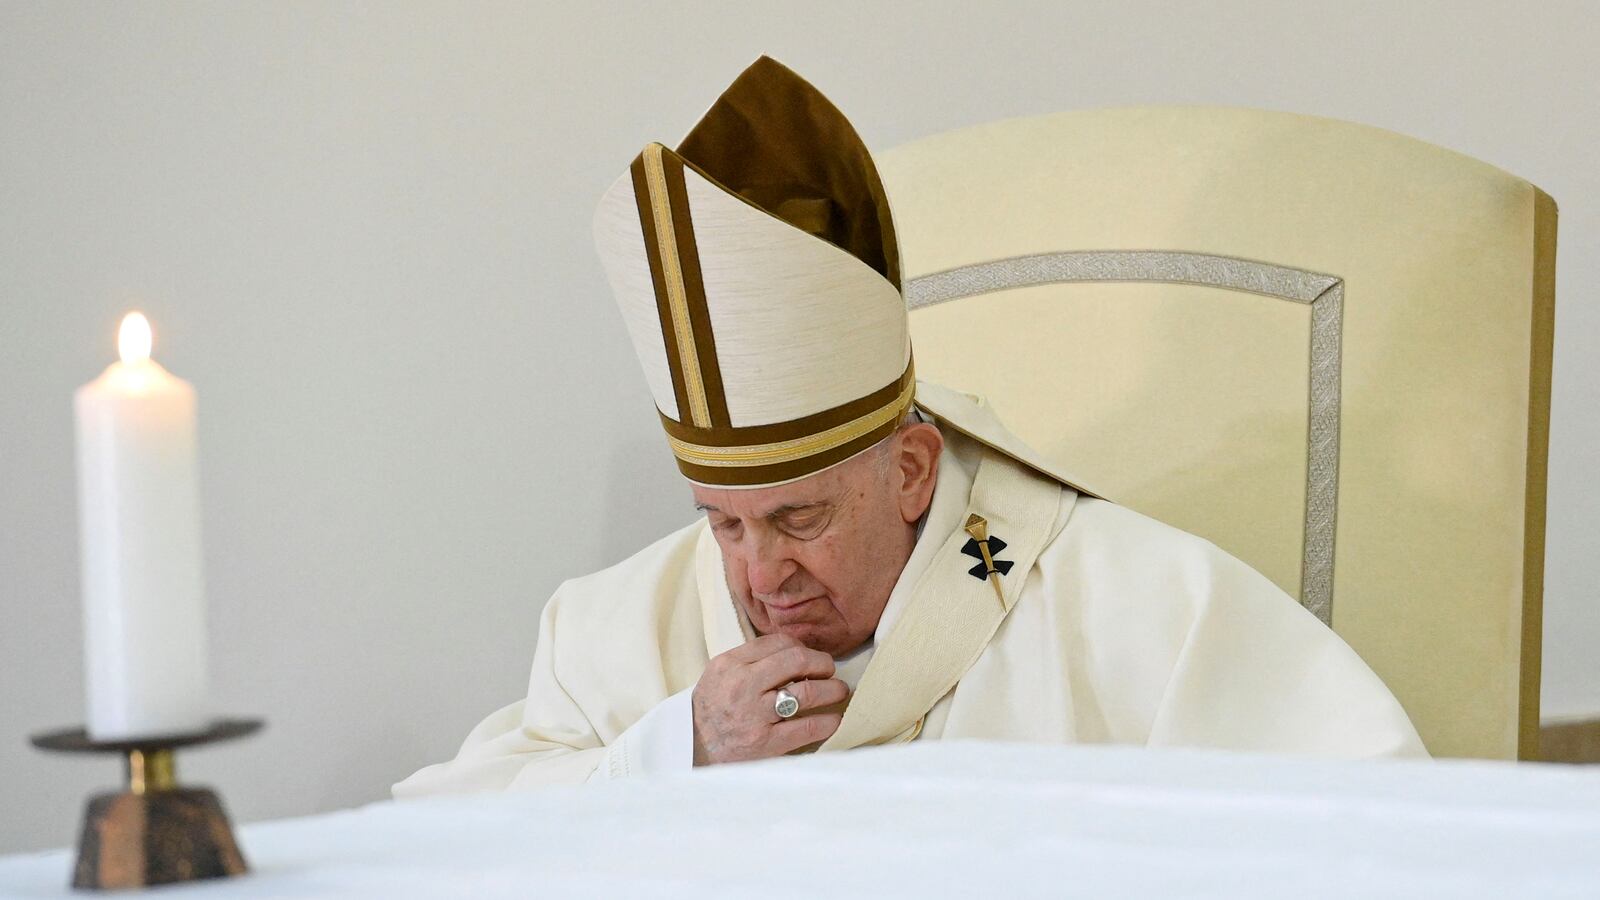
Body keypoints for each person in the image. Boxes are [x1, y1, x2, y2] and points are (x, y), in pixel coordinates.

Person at [394, 56, 1424, 796]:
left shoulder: (1133, 600)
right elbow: (442, 843)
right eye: (723, 522)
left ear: (913, 470)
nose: (759, 578)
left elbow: (1375, 807)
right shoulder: (609, 626)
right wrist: (677, 756)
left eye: (797, 520)